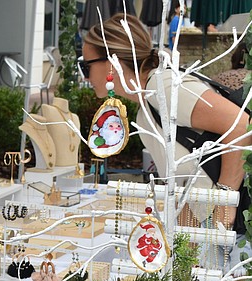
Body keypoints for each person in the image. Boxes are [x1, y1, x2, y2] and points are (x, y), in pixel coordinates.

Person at [81, 13, 250, 234]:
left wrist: (226, 203)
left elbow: (241, 125)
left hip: (228, 226)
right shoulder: (146, 107)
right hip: (206, 227)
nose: (85, 77)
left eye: (86, 67)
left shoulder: (164, 87)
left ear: (112, 62)